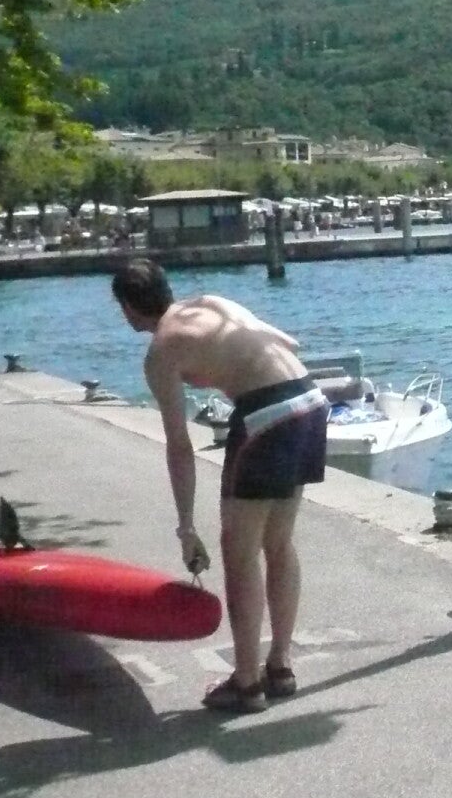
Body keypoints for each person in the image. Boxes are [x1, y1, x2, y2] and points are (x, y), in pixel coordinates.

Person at [112, 258, 326, 715]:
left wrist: (187, 527)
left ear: (128, 308)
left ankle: (247, 684)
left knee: (239, 553)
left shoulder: (161, 353)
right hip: (308, 399)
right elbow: (288, 342)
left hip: (267, 413)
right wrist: (227, 367)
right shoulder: (209, 303)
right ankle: (280, 667)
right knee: (279, 543)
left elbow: (179, 446)